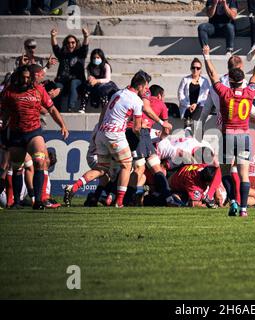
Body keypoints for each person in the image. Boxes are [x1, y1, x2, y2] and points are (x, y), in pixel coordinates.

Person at [64, 71, 147, 208]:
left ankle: (73, 187)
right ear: (139, 86)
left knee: (102, 168)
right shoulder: (136, 100)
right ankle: (119, 202)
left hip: (101, 132)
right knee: (127, 165)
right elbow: (136, 128)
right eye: (145, 87)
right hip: (115, 135)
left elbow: (105, 110)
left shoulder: (118, 93)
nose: (145, 90)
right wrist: (140, 133)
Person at [203, 44, 255, 217]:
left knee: (225, 171)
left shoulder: (224, 93)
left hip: (227, 136)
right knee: (244, 175)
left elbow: (212, 75)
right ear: (242, 78)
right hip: (244, 136)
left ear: (229, 80)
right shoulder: (249, 92)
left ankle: (234, 201)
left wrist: (206, 55)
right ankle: (243, 209)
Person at [0, 65, 69, 210]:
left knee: (39, 160)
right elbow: (4, 112)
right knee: (17, 168)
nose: (26, 80)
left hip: (33, 132)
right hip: (16, 134)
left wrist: (62, 125)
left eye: (28, 77)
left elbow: (52, 109)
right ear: (18, 77)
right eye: (23, 77)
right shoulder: (9, 92)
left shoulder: (38, 89)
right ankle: (16, 202)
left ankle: (38, 201)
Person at [51, 28, 89, 112]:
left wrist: (86, 36)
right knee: (57, 86)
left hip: (77, 81)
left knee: (73, 83)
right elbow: (55, 48)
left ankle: (70, 107)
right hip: (63, 80)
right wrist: (53, 36)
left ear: (76, 43)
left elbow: (85, 47)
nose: (70, 44)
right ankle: (56, 109)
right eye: (68, 43)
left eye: (73, 42)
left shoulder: (80, 54)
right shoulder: (63, 54)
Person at [78, 48, 118, 113]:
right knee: (86, 86)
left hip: (106, 84)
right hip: (95, 84)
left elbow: (107, 79)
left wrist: (97, 80)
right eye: (94, 58)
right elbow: (89, 77)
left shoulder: (106, 66)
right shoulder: (90, 67)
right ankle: (83, 107)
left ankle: (105, 108)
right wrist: (90, 79)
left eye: (98, 57)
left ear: (101, 58)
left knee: (102, 89)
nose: (96, 59)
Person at [177, 58, 211, 129]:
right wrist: (188, 105)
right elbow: (180, 94)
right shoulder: (185, 80)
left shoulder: (205, 81)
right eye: (193, 67)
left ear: (200, 70)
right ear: (190, 68)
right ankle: (189, 136)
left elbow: (206, 96)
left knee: (197, 116)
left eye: (198, 68)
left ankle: (196, 137)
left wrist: (196, 104)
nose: (195, 70)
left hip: (199, 106)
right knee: (188, 125)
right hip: (187, 106)